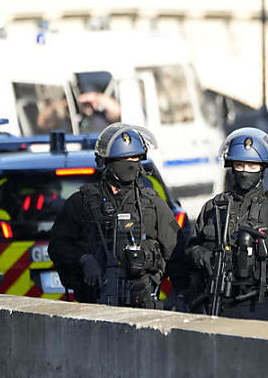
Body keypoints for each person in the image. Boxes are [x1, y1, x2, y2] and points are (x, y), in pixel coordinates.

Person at [49, 123, 179, 308]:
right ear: (107, 162)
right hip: (95, 306)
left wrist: (182, 299)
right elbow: (58, 246)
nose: (130, 164)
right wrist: (83, 259)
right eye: (124, 159)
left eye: (135, 158)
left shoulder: (152, 204)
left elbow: (178, 253)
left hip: (143, 308)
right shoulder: (81, 204)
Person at [187, 127, 268, 322]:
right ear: (231, 166)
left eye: (252, 166)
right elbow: (191, 248)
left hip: (262, 306)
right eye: (240, 165)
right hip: (218, 304)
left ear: (263, 169)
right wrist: (201, 255)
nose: (245, 172)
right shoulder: (214, 207)